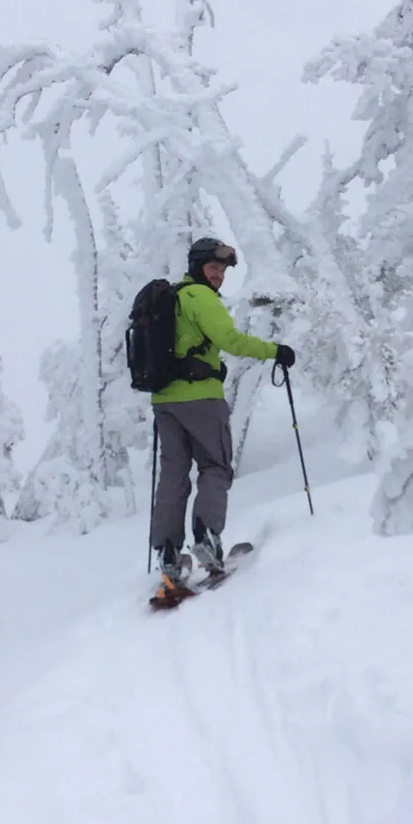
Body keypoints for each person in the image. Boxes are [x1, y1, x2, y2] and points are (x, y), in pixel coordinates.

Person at [150, 237, 296, 590]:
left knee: (173, 475)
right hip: (201, 400)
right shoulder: (200, 297)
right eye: (213, 267)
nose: (219, 274)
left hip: (164, 402)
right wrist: (275, 350)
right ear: (197, 266)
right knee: (215, 467)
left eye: (223, 269)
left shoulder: (173, 299)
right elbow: (230, 340)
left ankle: (168, 553)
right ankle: (207, 538)